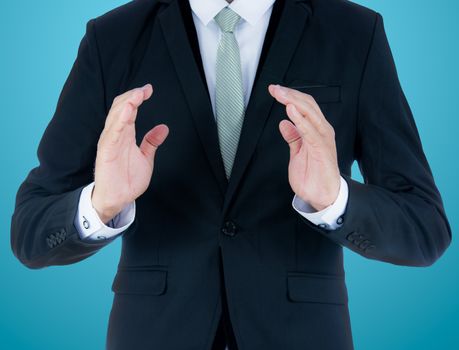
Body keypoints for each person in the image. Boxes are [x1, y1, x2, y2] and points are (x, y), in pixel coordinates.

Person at [10, 0, 451, 349]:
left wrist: (335, 199)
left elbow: (424, 228)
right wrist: (101, 203)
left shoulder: (354, 34)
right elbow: (31, 234)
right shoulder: (112, 39)